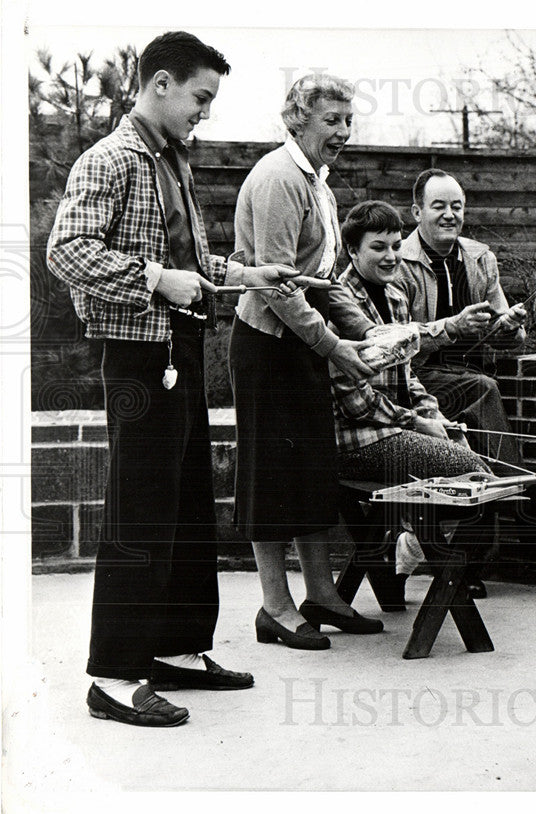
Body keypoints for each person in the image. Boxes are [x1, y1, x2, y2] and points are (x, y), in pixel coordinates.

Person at [47, 31, 299, 727]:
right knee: (139, 513)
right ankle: (114, 675)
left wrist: (245, 274)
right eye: (200, 97)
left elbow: (192, 260)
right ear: (160, 83)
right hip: (137, 361)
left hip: (180, 348)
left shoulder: (173, 160)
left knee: (188, 508)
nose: (205, 113)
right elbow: (66, 252)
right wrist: (154, 280)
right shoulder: (113, 159)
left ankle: (179, 651)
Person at [228, 74, 383, 651]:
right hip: (268, 344)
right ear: (296, 120)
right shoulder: (277, 179)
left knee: (313, 467)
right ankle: (275, 607)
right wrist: (332, 345)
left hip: (302, 344)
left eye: (348, 120)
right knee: (270, 474)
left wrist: (371, 332)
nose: (343, 132)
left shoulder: (319, 183)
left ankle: (321, 593)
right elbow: (277, 286)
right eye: (332, 121)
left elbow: (325, 278)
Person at [390, 170, 536, 587]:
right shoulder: (397, 262)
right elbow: (394, 344)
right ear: (416, 210)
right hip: (417, 379)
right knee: (483, 394)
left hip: (470, 377)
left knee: (481, 411)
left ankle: (465, 568)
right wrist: (453, 327)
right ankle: (527, 518)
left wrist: (509, 327)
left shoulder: (479, 258)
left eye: (456, 206)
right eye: (438, 206)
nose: (449, 215)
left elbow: (509, 340)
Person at [330, 201, 492, 581]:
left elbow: (408, 375)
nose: (391, 257)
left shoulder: (396, 298)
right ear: (352, 251)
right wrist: (417, 423)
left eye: (396, 246)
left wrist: (434, 414)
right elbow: (352, 397)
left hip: (397, 430)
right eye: (378, 247)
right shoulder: (337, 302)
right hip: (358, 442)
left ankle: (410, 542)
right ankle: (415, 544)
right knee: (472, 476)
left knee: (473, 460)